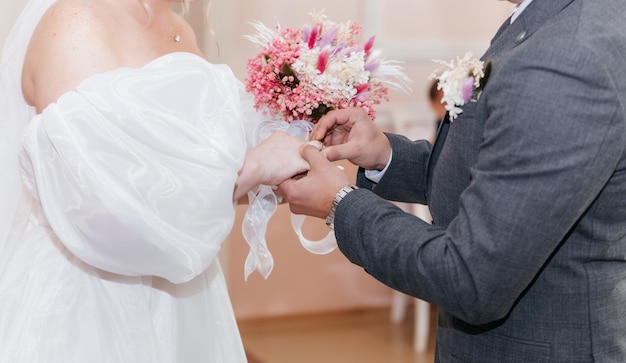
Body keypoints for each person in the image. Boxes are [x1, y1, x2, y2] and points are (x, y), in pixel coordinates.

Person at [279, 0, 626, 361]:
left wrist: (341, 202)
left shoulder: (569, 54)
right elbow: (496, 178)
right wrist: (385, 155)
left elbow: (471, 278)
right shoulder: (551, 19)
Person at [0, 0, 309, 361]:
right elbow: (100, 201)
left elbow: (196, 181)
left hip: (187, 295)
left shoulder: (179, 25)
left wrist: (289, 153)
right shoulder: (77, 18)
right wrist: (254, 167)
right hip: (92, 298)